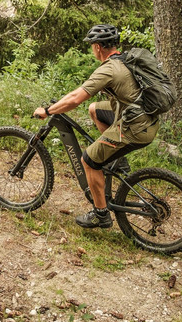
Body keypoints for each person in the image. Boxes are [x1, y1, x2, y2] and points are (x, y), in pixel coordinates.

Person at [34, 24, 160, 229]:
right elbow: (83, 99)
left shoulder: (108, 69)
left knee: (89, 160)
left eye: (92, 45)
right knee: (94, 109)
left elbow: (75, 98)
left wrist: (48, 111)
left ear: (98, 47)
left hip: (135, 127)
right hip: (146, 118)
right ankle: (117, 161)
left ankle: (101, 214)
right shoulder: (124, 59)